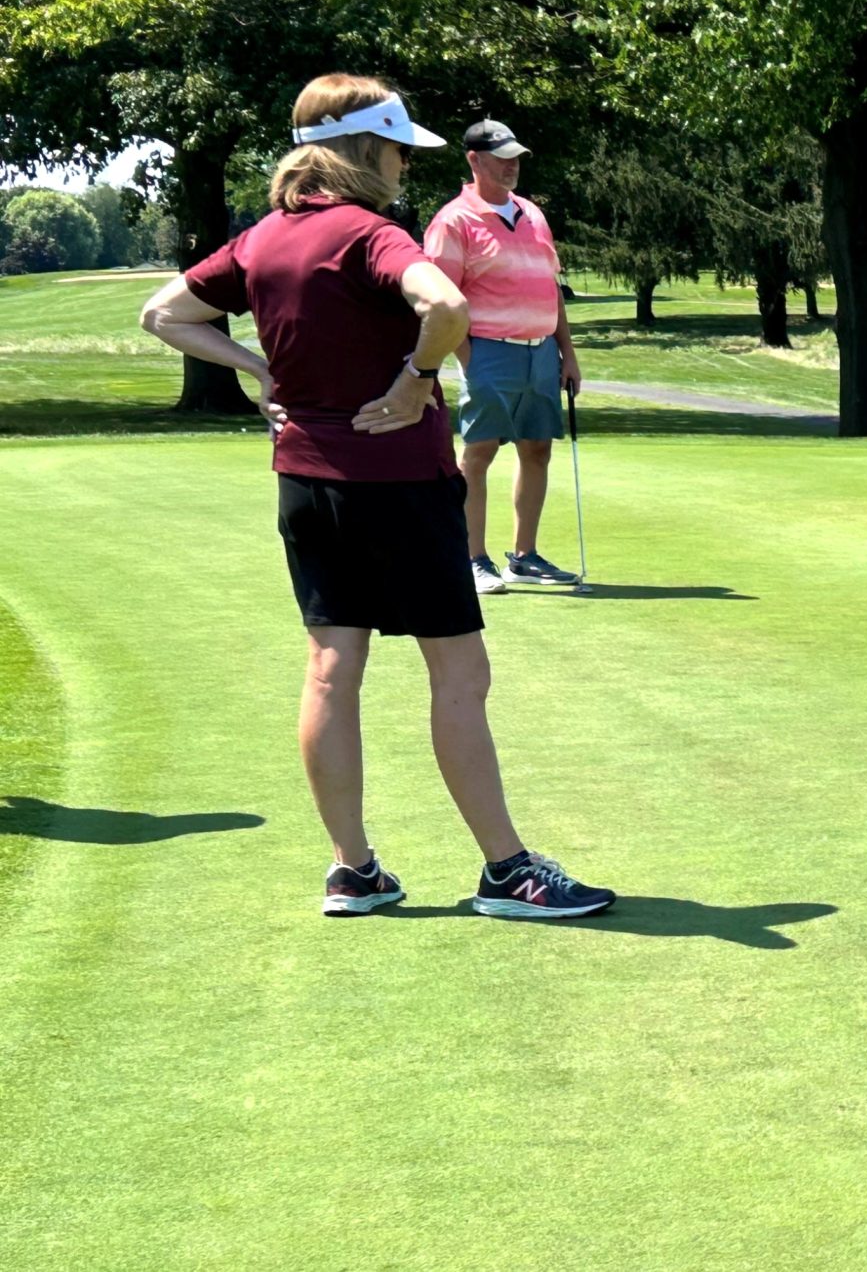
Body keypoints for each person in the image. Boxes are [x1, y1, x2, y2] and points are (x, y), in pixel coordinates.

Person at [137, 73, 614, 921]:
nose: (403, 165)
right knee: (460, 672)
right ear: (363, 150)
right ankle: (507, 871)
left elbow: (163, 313)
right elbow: (447, 304)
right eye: (397, 149)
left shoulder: (261, 239)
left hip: (304, 483)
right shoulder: (370, 232)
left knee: (332, 670)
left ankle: (353, 870)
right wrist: (415, 377)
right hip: (399, 485)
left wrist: (258, 371)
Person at [423, 119, 581, 594]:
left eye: (516, 158)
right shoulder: (453, 220)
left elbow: (550, 288)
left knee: (537, 449)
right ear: (474, 160)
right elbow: (441, 298)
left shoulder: (532, 214)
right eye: (502, 157)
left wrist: (567, 352)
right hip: (488, 350)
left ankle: (524, 557)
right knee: (479, 452)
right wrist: (469, 358)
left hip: (541, 351)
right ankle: (473, 559)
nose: (512, 166)